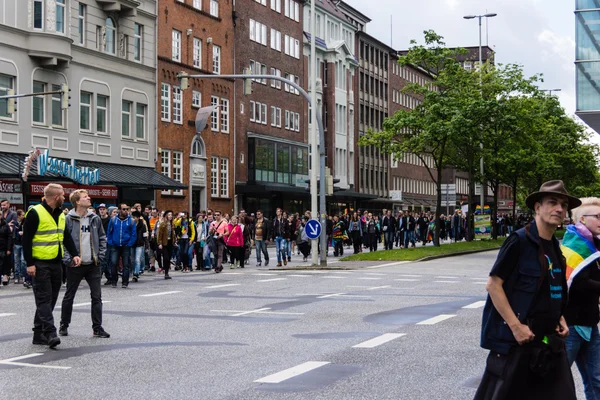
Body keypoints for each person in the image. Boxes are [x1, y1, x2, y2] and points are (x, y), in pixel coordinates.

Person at [475, 180, 578, 399]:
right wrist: (516, 327)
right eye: (552, 202)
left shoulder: (555, 247)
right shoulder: (519, 241)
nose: (559, 209)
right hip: (519, 345)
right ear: (537, 207)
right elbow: (493, 285)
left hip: (550, 344)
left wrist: (559, 317)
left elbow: (550, 289)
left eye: (563, 205)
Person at [23, 183, 81, 348]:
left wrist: (75, 254)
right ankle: (50, 333)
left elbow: (66, 237)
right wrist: (30, 264)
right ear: (56, 197)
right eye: (63, 195)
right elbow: (26, 240)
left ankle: (37, 333)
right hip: (40, 264)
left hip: (57, 263)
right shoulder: (35, 213)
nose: (65, 197)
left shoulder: (61, 214)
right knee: (44, 299)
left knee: (50, 300)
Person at [562, 197, 600, 399]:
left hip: (590, 323)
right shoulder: (575, 244)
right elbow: (579, 283)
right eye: (598, 217)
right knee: (558, 380)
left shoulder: (593, 244)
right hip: (572, 326)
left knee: (597, 379)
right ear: (583, 219)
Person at [59, 189, 110, 338]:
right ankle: (64, 325)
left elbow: (102, 237)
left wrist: (100, 255)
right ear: (77, 202)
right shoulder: (68, 219)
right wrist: (68, 259)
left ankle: (97, 328)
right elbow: (62, 241)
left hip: (93, 264)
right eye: (85, 197)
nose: (89, 198)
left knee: (96, 297)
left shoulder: (94, 218)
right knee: (69, 295)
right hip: (75, 265)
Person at [106, 203, 136, 288]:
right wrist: (111, 242)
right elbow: (109, 232)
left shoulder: (131, 221)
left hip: (126, 245)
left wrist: (129, 244)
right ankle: (114, 280)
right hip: (115, 245)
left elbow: (134, 234)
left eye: (127, 209)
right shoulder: (113, 220)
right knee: (113, 263)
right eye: (124, 209)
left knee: (126, 264)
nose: (126, 211)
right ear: (119, 210)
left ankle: (125, 282)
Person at [157, 210, 177, 279]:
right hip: (164, 243)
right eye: (169, 215)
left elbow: (173, 234)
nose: (170, 216)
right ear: (166, 216)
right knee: (166, 257)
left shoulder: (172, 224)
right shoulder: (163, 224)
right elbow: (159, 234)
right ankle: (165, 270)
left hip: (170, 243)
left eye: (171, 215)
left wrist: (174, 241)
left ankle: (167, 273)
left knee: (169, 258)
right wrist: (159, 243)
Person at [13, 210, 30, 288]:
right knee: (16, 261)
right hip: (16, 243)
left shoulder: (25, 222)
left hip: (23, 243)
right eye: (22, 215)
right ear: (18, 216)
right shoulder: (14, 222)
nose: (24, 216)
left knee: (23, 261)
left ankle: (24, 276)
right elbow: (12, 233)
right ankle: (17, 276)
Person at [131, 210, 148, 282]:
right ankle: (134, 271)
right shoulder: (130, 224)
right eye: (133, 217)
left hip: (140, 244)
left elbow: (145, 236)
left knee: (137, 259)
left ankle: (136, 273)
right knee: (132, 260)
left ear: (138, 218)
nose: (134, 218)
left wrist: (146, 245)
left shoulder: (142, 225)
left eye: (135, 217)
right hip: (132, 244)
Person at [0, 215, 13, 286]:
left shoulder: (5, 225)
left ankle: (5, 276)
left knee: (4, 263)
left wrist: (9, 248)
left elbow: (9, 237)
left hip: (3, 247)